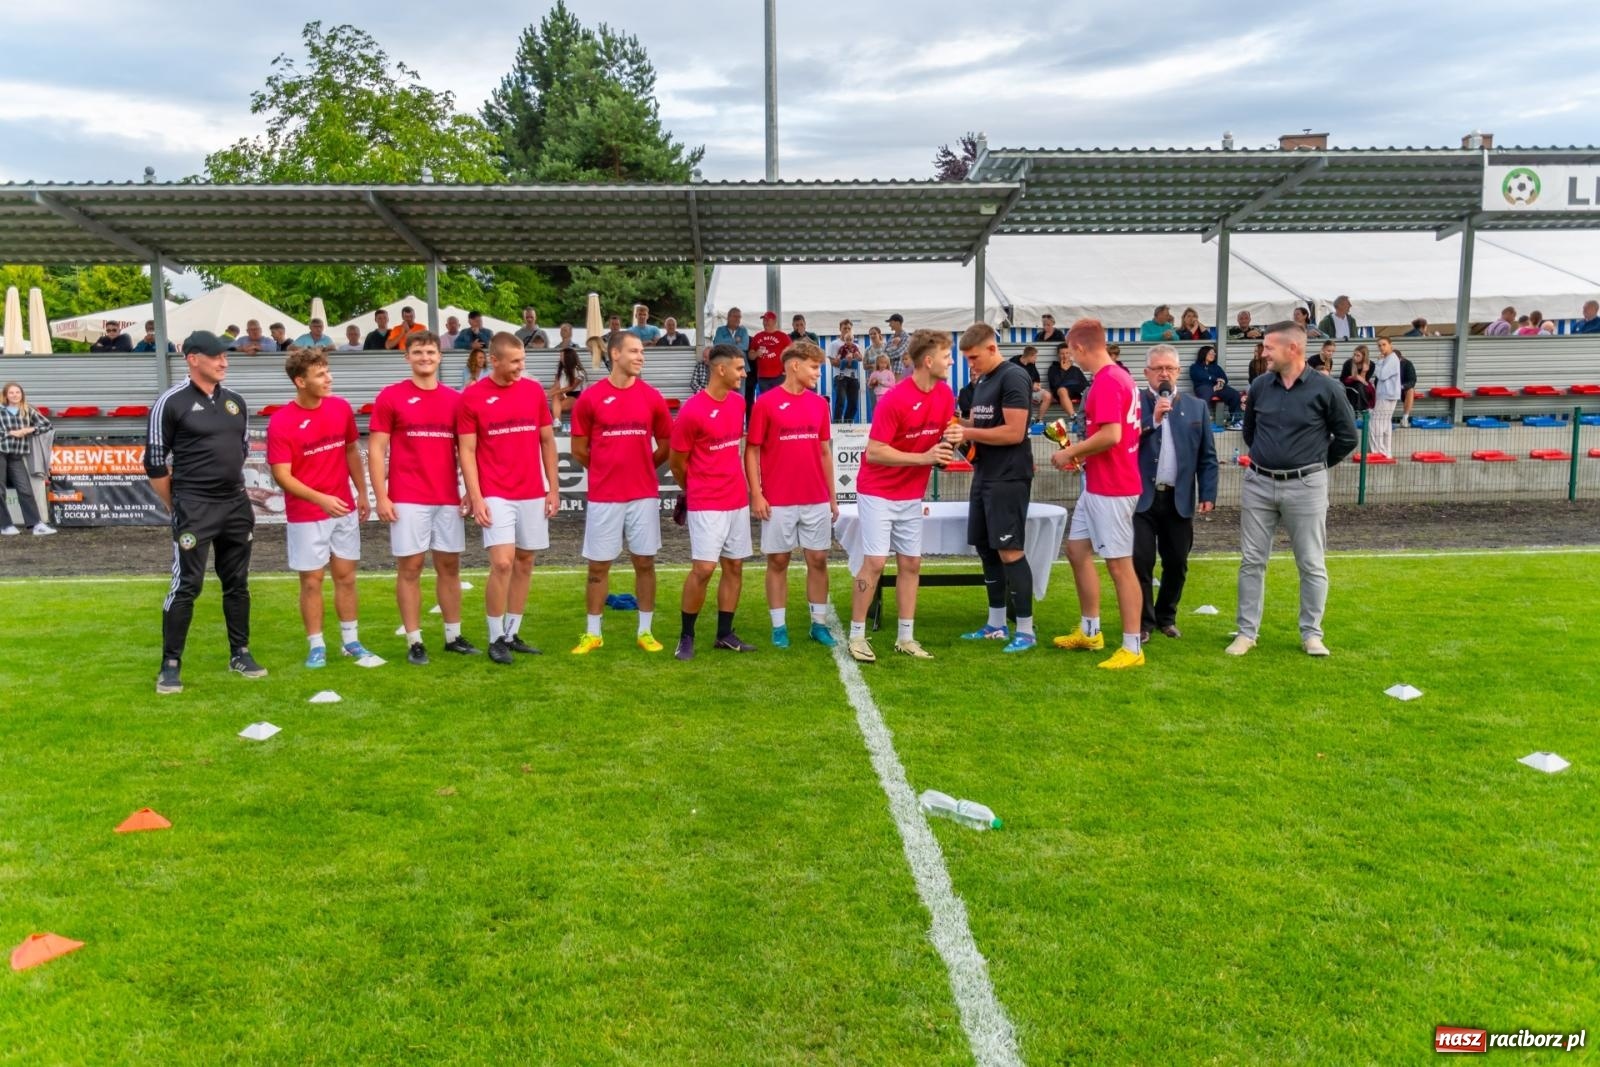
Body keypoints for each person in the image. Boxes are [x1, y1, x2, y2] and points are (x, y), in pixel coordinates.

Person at [144, 331, 264, 694]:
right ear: (193, 359)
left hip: (236, 505)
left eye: (225, 356)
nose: (224, 361)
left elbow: (241, 450)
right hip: (194, 507)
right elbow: (153, 462)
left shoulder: (235, 402)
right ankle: (170, 664)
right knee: (187, 585)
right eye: (216, 356)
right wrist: (177, 503)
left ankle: (240, 653)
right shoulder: (171, 402)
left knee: (237, 582)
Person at [1230, 319, 1358, 657]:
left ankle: (1312, 634)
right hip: (1258, 483)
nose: (1263, 353)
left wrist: (1313, 466)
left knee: (1311, 562)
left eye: (1269, 347)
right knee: (1251, 561)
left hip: (1306, 486)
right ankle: (1246, 633)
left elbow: (1347, 437)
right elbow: (1250, 434)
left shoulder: (1327, 389)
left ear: (1293, 348)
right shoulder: (1259, 385)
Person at [845, 329, 960, 663]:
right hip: (878, 492)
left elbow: (942, 441)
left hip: (911, 494)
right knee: (876, 562)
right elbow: (876, 452)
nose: (951, 361)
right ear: (928, 360)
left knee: (911, 563)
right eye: (946, 355)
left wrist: (953, 436)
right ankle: (856, 636)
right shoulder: (894, 399)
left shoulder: (945, 395)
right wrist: (924, 458)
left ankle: (906, 638)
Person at [368, 331, 479, 666]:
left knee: (449, 566)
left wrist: (470, 492)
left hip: (446, 497)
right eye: (418, 352)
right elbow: (376, 449)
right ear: (408, 357)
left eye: (431, 352)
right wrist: (381, 496)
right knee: (411, 567)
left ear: (440, 357)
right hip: (407, 498)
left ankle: (453, 636)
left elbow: (467, 451)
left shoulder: (456, 400)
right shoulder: (391, 396)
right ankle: (414, 640)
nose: (425, 357)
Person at [266, 348, 379, 669]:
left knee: (346, 577)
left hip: (342, 509)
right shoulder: (282, 421)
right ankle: (316, 645)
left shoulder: (340, 408)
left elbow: (351, 452)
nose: (329, 378)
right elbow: (281, 475)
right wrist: (321, 499)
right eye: (320, 374)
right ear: (300, 381)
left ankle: (350, 641)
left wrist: (362, 493)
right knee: (312, 580)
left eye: (328, 371)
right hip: (307, 515)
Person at [1049, 318, 1146, 670]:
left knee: (1120, 566)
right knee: (1077, 551)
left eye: (1073, 355)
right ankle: (1091, 630)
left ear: (1079, 347)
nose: (1075, 362)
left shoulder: (1107, 380)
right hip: (1101, 483)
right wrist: (1081, 455)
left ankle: (1133, 647)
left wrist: (1071, 453)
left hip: (1113, 487)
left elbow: (1112, 435)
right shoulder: (1119, 376)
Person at [458, 333, 559, 665]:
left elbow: (547, 442)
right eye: (515, 362)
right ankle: (494, 637)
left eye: (523, 361)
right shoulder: (472, 397)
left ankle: (513, 633)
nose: (521, 368)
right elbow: (467, 451)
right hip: (496, 493)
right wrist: (476, 496)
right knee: (502, 562)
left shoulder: (532, 392)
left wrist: (553, 488)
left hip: (532, 491)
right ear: (494, 360)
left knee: (525, 561)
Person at [570, 330, 673, 655]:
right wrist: (604, 470)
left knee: (644, 562)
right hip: (604, 496)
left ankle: (645, 631)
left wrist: (643, 466)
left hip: (642, 495)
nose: (641, 356)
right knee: (598, 567)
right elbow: (578, 449)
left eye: (642, 351)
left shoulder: (652, 396)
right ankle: (592, 633)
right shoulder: (591, 397)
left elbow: (667, 446)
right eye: (634, 351)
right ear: (615, 354)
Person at [745, 341, 837, 650]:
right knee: (779, 561)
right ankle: (779, 627)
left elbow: (825, 452)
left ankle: (819, 624)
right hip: (779, 500)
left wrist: (832, 498)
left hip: (815, 498)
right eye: (814, 367)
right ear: (794, 365)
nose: (817, 374)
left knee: (819, 559)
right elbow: (752, 450)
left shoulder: (819, 405)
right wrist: (756, 494)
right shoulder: (766, 403)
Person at [955, 323, 1038, 654]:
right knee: (987, 549)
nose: (970, 365)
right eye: (966, 359)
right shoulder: (984, 380)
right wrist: (953, 424)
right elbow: (980, 424)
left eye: (974, 357)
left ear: (992, 348)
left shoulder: (1014, 376)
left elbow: (1014, 432)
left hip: (1009, 476)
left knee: (1009, 550)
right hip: (985, 473)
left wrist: (968, 434)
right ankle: (995, 624)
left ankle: (1027, 631)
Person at [669, 344, 755, 659]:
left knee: (734, 566)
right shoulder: (692, 410)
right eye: (739, 368)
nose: (744, 373)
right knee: (704, 569)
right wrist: (695, 488)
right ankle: (686, 636)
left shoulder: (737, 403)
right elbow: (677, 461)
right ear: (721, 369)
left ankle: (725, 634)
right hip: (706, 501)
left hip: (736, 499)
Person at [1132, 345, 1217, 642]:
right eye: (1158, 369)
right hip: (1140, 497)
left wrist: (1208, 492)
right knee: (1140, 561)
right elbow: (1124, 445)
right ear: (1146, 373)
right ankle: (1143, 622)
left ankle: (1166, 616)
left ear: (1179, 372)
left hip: (1178, 497)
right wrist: (1150, 420)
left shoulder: (1197, 407)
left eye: (1169, 368)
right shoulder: (1135, 404)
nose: (1164, 373)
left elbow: (1207, 456)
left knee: (1177, 562)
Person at [0, 382, 55, 536]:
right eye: (11, 393)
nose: (15, 395)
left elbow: (47, 425)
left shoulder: (27, 410)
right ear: (5, 395)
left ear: (22, 395)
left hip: (16, 455)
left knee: (25, 489)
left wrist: (30, 429)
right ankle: (5, 525)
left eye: (18, 392)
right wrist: (11, 433)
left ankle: (35, 525)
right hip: (1, 452)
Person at [1189, 344, 1242, 427]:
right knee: (1205, 397)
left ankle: (1236, 421)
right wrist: (1215, 379)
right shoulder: (1195, 367)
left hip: (1218, 388)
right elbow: (1200, 376)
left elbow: (1224, 378)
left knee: (1234, 394)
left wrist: (1221, 383)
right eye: (1211, 353)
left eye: (1214, 354)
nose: (1213, 355)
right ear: (1204, 353)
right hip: (1203, 387)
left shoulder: (1216, 367)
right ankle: (1202, 422)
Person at [1039, 341, 1088, 421]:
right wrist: (1063, 370)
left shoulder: (1075, 369)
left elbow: (1085, 383)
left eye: (1067, 353)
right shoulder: (1053, 368)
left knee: (1090, 391)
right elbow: (1055, 385)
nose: (1065, 356)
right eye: (1062, 354)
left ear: (1070, 354)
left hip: (1077, 391)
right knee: (1062, 390)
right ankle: (1074, 417)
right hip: (1062, 393)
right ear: (1058, 355)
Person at [748, 311, 791, 402]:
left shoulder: (783, 337)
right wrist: (756, 354)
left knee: (779, 401)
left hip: (779, 376)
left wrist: (788, 369)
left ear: (774, 321)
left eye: (768, 320)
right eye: (764, 320)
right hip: (763, 377)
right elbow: (750, 356)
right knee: (766, 402)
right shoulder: (757, 337)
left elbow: (791, 354)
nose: (765, 322)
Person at [826, 320, 864, 423]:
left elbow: (860, 359)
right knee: (841, 401)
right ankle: (837, 427)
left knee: (853, 404)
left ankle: (848, 425)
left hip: (853, 377)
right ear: (840, 329)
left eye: (849, 328)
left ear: (852, 330)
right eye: (844, 328)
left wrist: (857, 358)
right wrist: (846, 361)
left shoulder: (856, 346)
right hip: (840, 377)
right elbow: (833, 363)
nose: (847, 330)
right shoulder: (834, 344)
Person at [1371, 337, 1402, 458]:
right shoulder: (1389, 359)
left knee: (1376, 423)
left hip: (1387, 395)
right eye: (1379, 345)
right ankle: (1386, 452)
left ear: (1390, 345)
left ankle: (1379, 452)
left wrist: (1378, 362)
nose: (1381, 347)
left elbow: (1382, 375)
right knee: (1385, 423)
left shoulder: (1392, 359)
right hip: (1387, 394)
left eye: (1384, 344)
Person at [550, 346, 586, 423]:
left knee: (555, 408)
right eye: (560, 356)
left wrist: (554, 392)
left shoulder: (578, 370)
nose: (560, 358)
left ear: (568, 357)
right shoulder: (560, 370)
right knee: (555, 399)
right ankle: (557, 422)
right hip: (562, 394)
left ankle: (556, 423)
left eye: (562, 356)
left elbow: (571, 387)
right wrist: (546, 394)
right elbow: (556, 386)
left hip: (575, 396)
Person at [1009, 345, 1045, 412]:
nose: (1036, 358)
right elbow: (1013, 382)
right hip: (1017, 392)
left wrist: (1038, 385)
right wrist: (1031, 386)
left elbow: (1037, 378)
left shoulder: (1031, 364)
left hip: (1030, 391)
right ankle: (1026, 418)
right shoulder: (1013, 363)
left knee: (1047, 396)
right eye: (1035, 357)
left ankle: (1039, 420)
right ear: (1030, 356)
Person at [1340, 345, 1375, 411]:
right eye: (1354, 354)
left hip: (1362, 387)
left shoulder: (1371, 365)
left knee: (1359, 385)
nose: (1355, 357)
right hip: (1349, 386)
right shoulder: (1348, 363)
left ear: (1364, 356)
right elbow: (1342, 379)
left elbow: (1364, 381)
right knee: (1357, 387)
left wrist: (1364, 371)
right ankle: (1364, 408)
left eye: (1358, 355)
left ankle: (1360, 409)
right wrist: (1353, 377)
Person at [866, 353, 896, 420]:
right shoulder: (874, 373)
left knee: (886, 409)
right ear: (877, 363)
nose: (883, 365)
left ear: (887, 364)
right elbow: (869, 385)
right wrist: (872, 382)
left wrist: (882, 382)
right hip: (877, 394)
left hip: (887, 394)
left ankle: (887, 421)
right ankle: (877, 422)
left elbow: (893, 385)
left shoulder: (889, 373)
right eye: (881, 363)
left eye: (885, 363)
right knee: (877, 409)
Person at [884, 314, 911, 378]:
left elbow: (899, 353)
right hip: (890, 369)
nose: (889, 325)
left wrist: (885, 356)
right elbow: (884, 350)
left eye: (891, 322)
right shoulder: (892, 336)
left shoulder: (906, 337)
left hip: (900, 370)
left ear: (897, 323)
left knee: (897, 387)